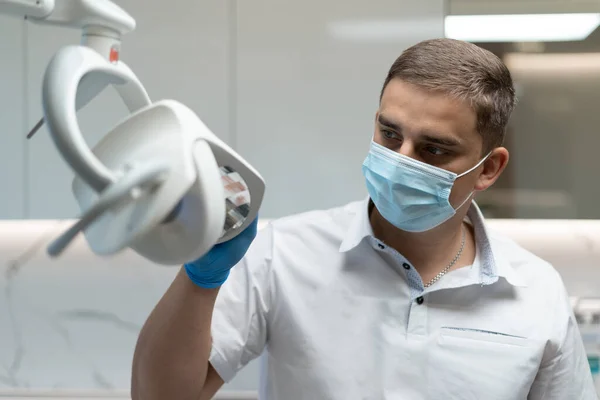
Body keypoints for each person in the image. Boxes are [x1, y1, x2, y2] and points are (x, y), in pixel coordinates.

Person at [131, 38, 597, 400]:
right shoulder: (283, 253)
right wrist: (200, 279)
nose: (401, 159)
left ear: (489, 168)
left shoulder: (536, 292)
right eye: (389, 134)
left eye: (434, 149)